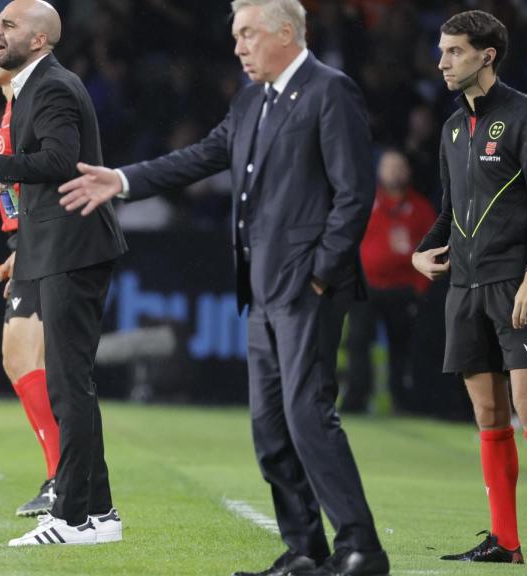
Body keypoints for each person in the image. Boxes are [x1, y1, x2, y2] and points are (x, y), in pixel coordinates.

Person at [58, 1, 389, 574]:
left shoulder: (328, 91)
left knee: (307, 413)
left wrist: (320, 272)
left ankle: (361, 547)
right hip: (261, 289)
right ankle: (305, 548)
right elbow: (203, 156)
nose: (237, 46)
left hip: (305, 286)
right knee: (269, 424)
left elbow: (353, 194)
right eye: (236, 35)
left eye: (247, 34)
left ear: (285, 33)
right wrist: (124, 179)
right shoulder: (251, 99)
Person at [0, 0, 127, 547]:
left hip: (73, 248)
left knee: (71, 386)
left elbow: (62, 160)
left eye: (8, 26)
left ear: (39, 41)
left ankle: (71, 517)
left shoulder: (53, 87)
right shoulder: (31, 88)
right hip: (54, 246)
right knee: (70, 385)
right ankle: (100, 514)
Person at [411, 10, 527, 569]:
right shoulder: (454, 127)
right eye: (441, 51)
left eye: (453, 51)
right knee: (488, 414)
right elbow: (451, 210)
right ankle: (504, 542)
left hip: (514, 282)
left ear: (487, 56)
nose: (442, 62)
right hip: (464, 286)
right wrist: (420, 250)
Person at [0, 36, 61, 518]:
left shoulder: (35, 104)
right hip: (31, 248)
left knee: (25, 354)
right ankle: (61, 473)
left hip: (51, 248)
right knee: (20, 358)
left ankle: (64, 476)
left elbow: (48, 177)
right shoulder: (11, 112)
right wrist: (18, 250)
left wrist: (30, 246)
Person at [343, 150, 436, 414]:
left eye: (399, 166)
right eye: (388, 166)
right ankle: (356, 398)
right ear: (378, 170)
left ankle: (402, 401)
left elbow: (436, 247)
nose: (394, 171)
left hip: (403, 289)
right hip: (366, 287)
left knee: (402, 347)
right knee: (358, 342)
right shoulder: (364, 201)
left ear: (408, 171)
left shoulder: (420, 208)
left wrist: (419, 287)